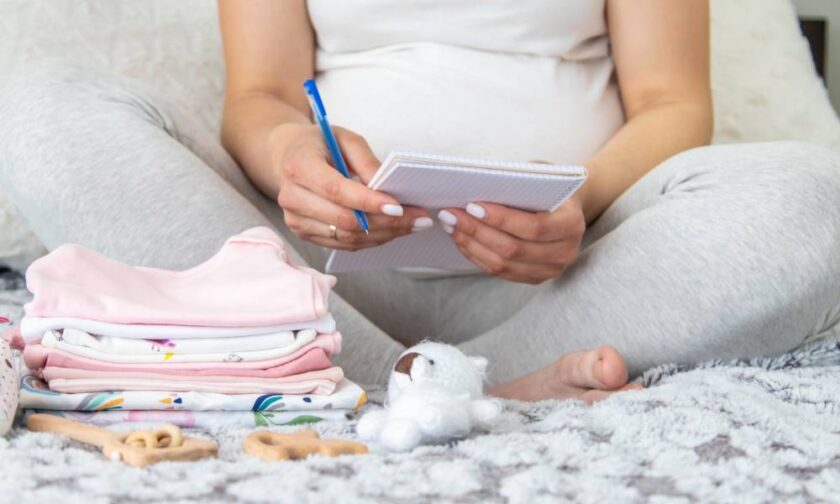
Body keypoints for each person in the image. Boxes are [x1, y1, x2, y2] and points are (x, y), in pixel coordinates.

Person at [2, 0, 839, 402]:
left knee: (814, 194)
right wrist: (297, 156)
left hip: (577, 277)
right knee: (32, 102)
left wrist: (580, 200)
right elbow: (260, 94)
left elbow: (673, 103)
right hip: (318, 283)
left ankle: (395, 387)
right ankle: (434, 384)